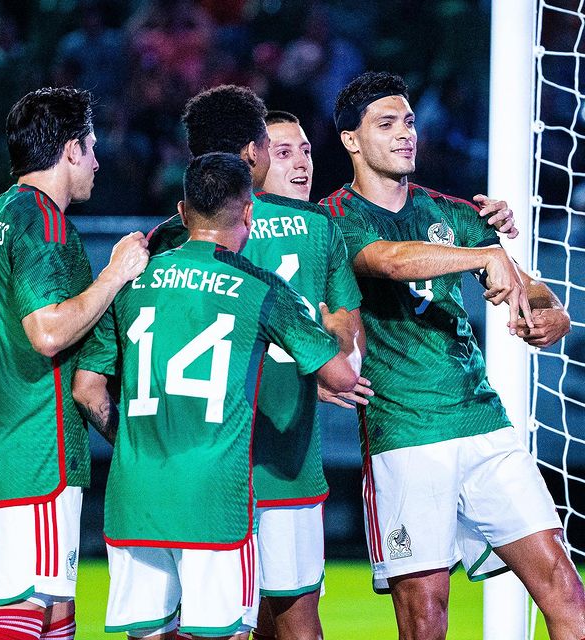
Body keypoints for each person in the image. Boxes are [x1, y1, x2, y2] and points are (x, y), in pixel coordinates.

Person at [320, 70, 584, 640]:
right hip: (406, 435)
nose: (404, 134)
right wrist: (480, 256)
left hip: (485, 425)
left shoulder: (452, 212)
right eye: (386, 124)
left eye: (409, 122)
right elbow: (388, 260)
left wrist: (549, 315)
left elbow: (529, 286)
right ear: (350, 140)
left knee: (567, 595)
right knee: (426, 618)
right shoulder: (334, 218)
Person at [71, 152, 361, 640]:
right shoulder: (260, 288)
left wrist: (130, 441)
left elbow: (86, 389)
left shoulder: (129, 282)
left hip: (134, 494)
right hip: (217, 498)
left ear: (183, 214)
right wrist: (329, 326)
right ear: (248, 212)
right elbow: (341, 377)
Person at [145, 87, 366, 640]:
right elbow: (347, 345)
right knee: (296, 618)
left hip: (193, 462)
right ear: (253, 151)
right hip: (286, 460)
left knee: (200, 622)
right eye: (277, 146)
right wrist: (317, 358)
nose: (291, 160)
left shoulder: (173, 238)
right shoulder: (318, 228)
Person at [0, 87, 149, 640]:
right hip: (36, 454)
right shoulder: (42, 221)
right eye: (91, 146)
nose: (98, 159)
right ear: (68, 150)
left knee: (55, 618)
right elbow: (49, 331)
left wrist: (2, 388)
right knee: (25, 615)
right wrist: (116, 273)